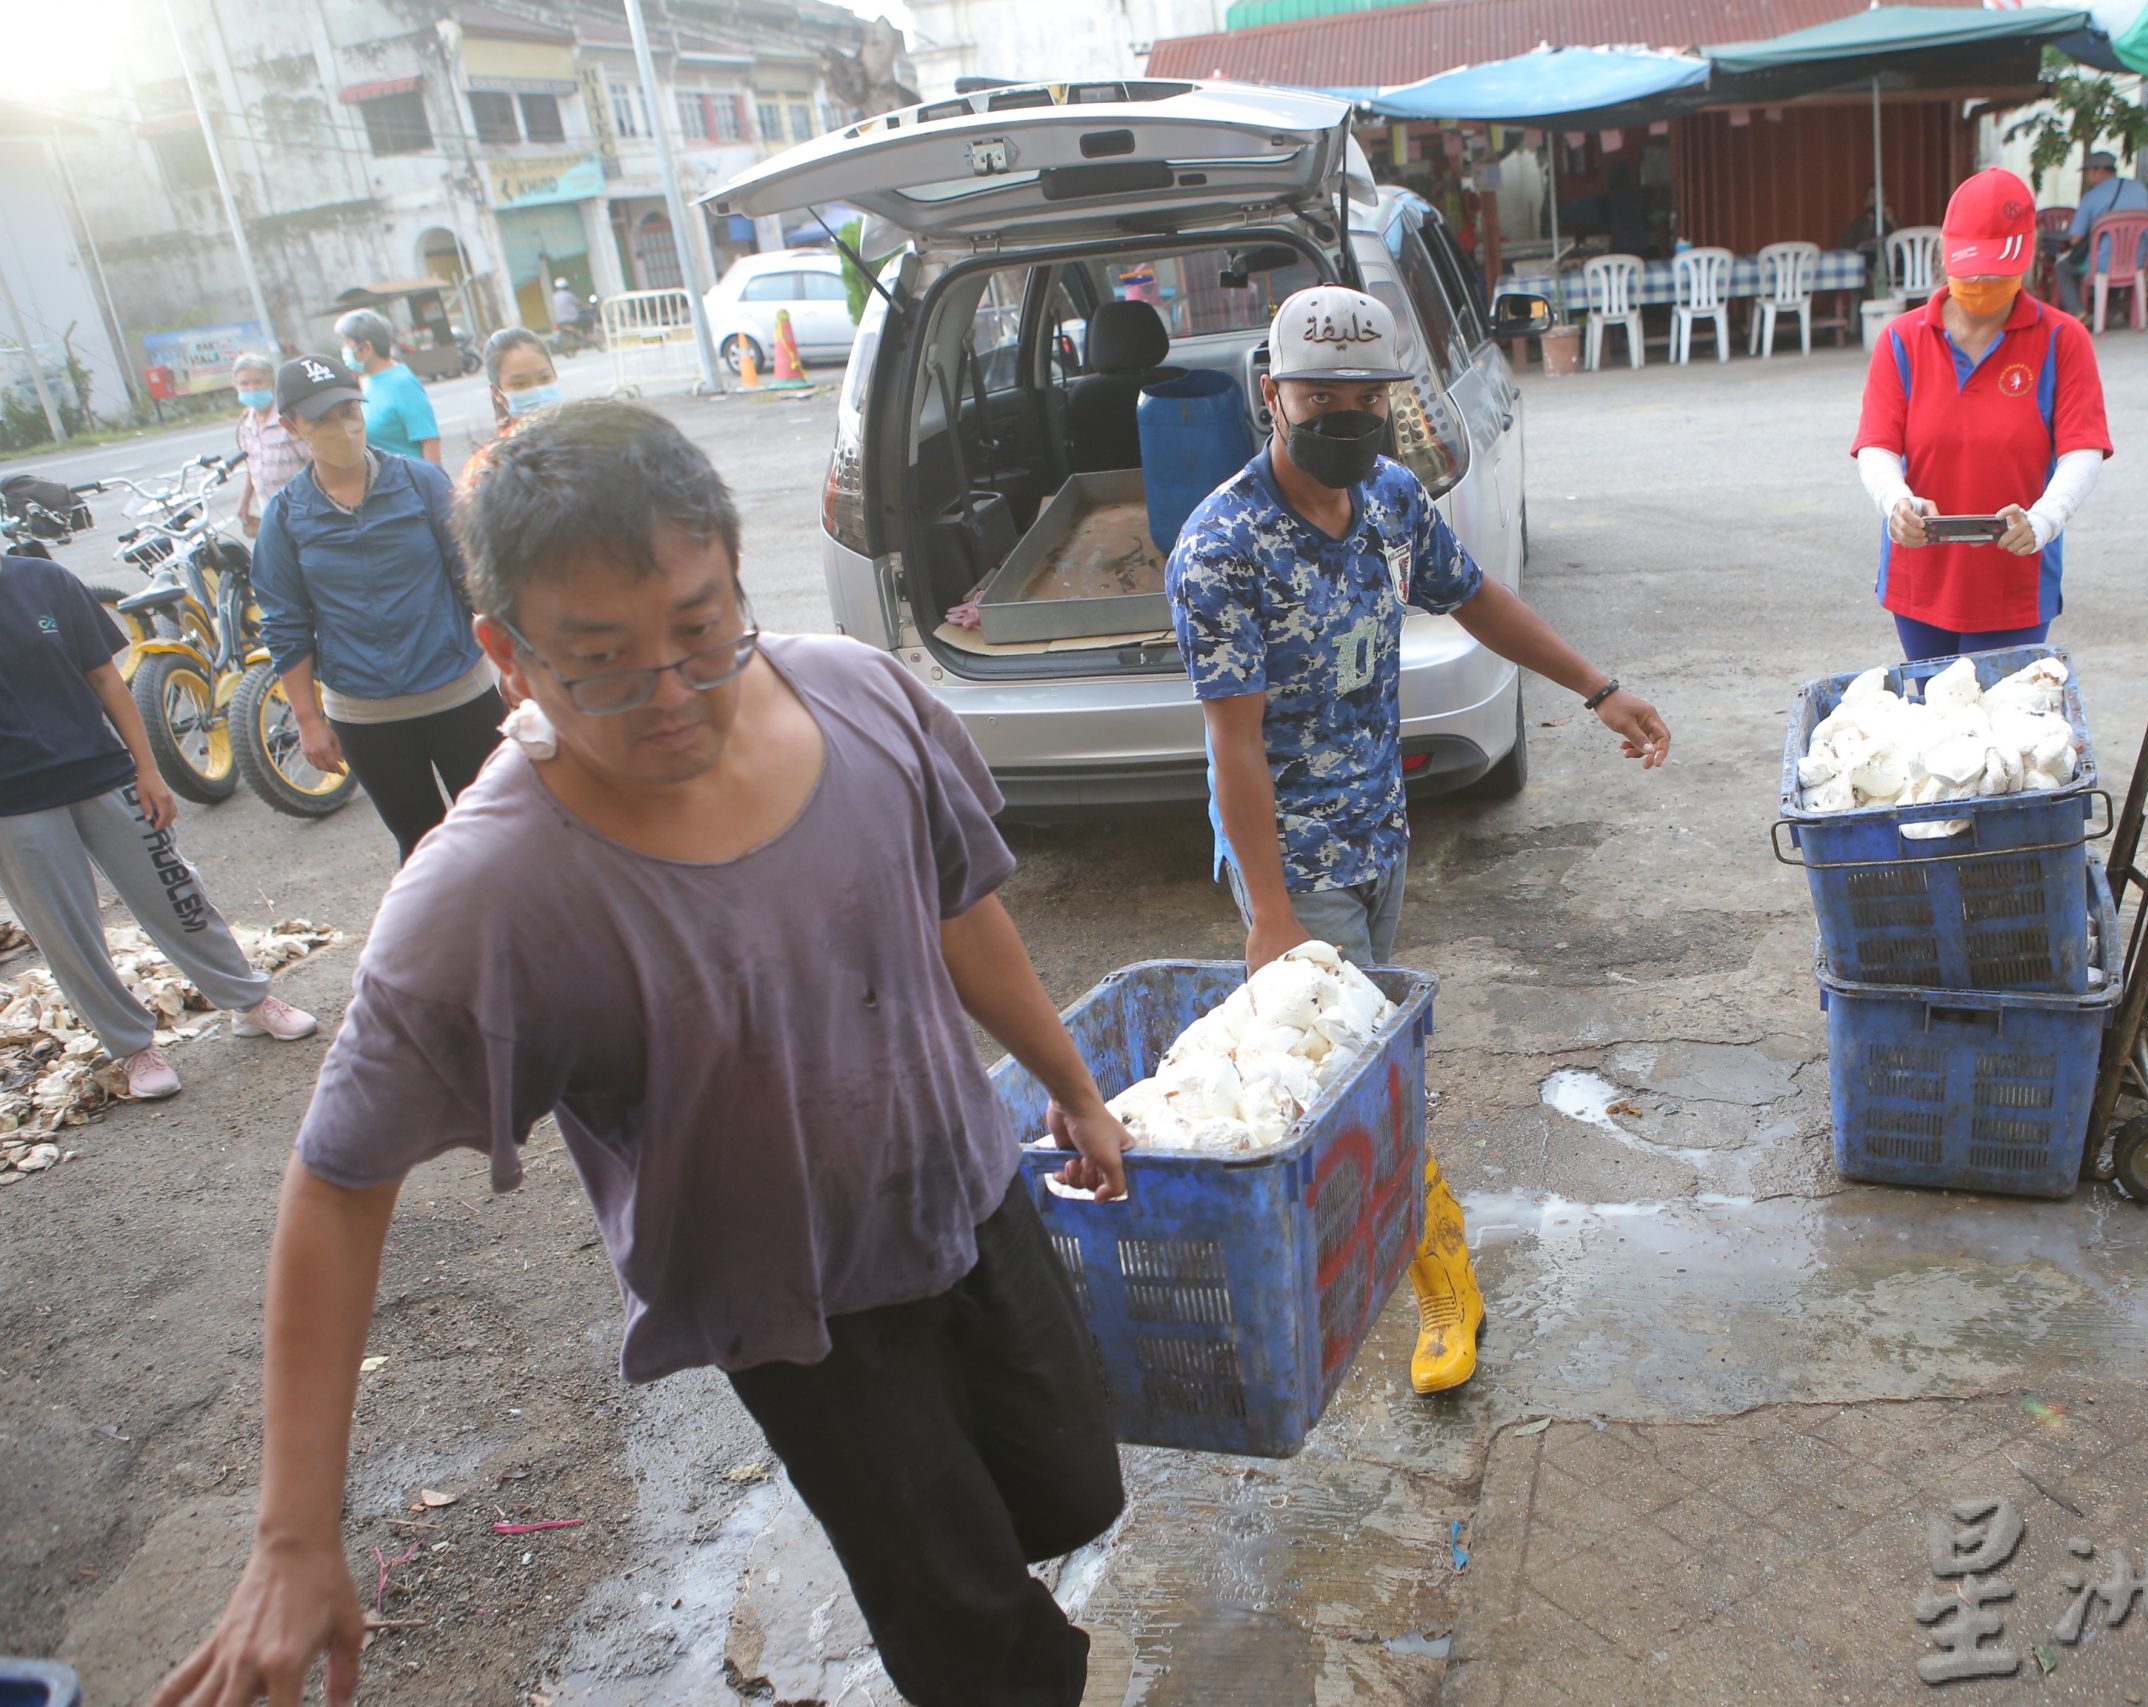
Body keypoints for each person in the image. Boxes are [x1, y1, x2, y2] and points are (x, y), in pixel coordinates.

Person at [151, 400, 1131, 1707]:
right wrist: (291, 1531)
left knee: (1072, 1482)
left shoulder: (858, 697)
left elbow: (957, 903)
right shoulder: (487, 897)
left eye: (698, 629)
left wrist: (1069, 1084)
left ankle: (993, 1583)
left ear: (737, 581)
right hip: (799, 1316)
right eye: (602, 658)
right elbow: (335, 1182)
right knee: (973, 1637)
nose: (671, 695)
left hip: (972, 1193)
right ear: (506, 653)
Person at [1168, 284, 1671, 1397]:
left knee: (1360, 1074)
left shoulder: (1391, 497)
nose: (1346, 413)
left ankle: (1354, 1244)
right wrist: (1270, 917)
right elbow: (1233, 752)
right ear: (1271, 395)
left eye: (1367, 395)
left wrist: (1598, 688)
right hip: (1297, 864)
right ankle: (1441, 1284)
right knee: (1366, 1081)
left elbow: (1475, 596)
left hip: (1382, 837)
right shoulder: (1221, 549)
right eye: (1320, 396)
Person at [0, 552, 318, 1101]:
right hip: (14, 802)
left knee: (175, 891)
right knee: (67, 934)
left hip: (101, 771)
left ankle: (248, 1001)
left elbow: (104, 676)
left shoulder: (41, 579)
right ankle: (132, 1047)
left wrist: (148, 768)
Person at [1852, 169, 2113, 662]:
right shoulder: (1902, 341)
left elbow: (2083, 448)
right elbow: (1876, 446)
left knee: (2001, 726)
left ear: (2027, 259)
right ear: (1946, 257)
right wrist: (1897, 503)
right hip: (1921, 577)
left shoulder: (2061, 340)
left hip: (2016, 578)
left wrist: (2044, 520)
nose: (1982, 284)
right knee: (1931, 716)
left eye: (1997, 273)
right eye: (1972, 272)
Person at [252, 353, 504, 861]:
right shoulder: (285, 517)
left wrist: (523, 667)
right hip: (366, 718)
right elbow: (286, 625)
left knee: (500, 838)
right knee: (422, 850)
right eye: (322, 419)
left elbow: (473, 581)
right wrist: (307, 720)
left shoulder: (421, 483)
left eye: (350, 411)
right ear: (291, 426)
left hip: (460, 697)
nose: (342, 428)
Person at [332, 308, 441, 465]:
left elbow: (429, 441)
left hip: (409, 483)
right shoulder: (365, 381)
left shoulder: (402, 383)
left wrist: (433, 485)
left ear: (367, 348)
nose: (344, 349)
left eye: (348, 342)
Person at [2055, 150, 2148, 318]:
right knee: (2110, 266)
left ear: (2097, 170)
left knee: (2063, 268)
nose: (2086, 177)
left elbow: (2075, 239)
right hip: (2138, 260)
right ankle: (2108, 314)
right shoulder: (2139, 188)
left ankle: (2078, 311)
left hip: (2102, 263)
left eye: (2087, 172)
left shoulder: (2091, 197)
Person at [228, 351, 308, 543]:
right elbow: (252, 463)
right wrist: (246, 499)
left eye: (258, 382)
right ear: (235, 386)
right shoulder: (246, 421)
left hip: (302, 511)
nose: (251, 388)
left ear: (271, 383)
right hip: (271, 513)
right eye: (244, 384)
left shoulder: (287, 418)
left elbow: (313, 462)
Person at [482, 326, 563, 437]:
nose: (537, 392)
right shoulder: (497, 453)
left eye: (544, 378)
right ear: (497, 393)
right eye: (519, 384)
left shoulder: (581, 441)